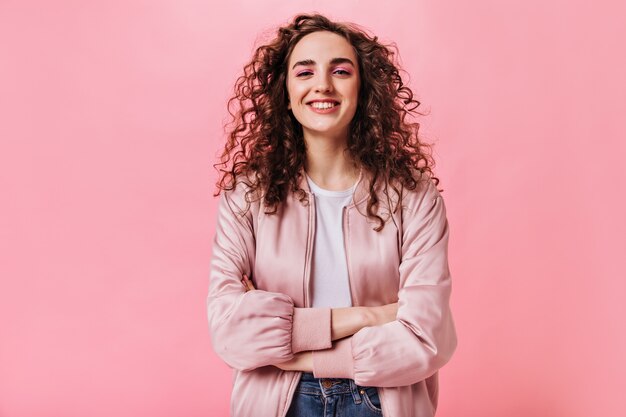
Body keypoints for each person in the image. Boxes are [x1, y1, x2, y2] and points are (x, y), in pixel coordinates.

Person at [207, 13, 457, 417]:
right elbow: (230, 333)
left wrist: (291, 349)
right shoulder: (247, 195)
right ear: (284, 91)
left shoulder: (413, 196)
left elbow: (425, 339)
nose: (322, 84)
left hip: (380, 400)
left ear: (363, 89)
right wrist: (370, 316)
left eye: (340, 70)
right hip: (277, 403)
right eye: (305, 72)